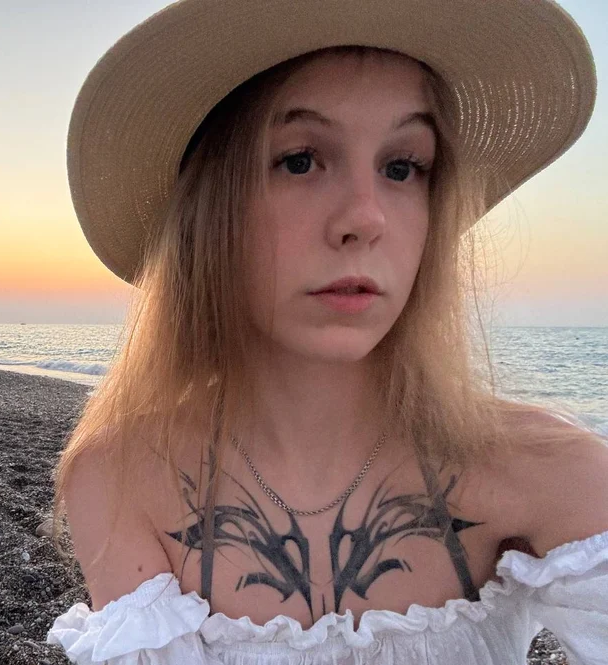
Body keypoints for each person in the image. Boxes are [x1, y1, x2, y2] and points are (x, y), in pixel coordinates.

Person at [46, 1, 608, 663]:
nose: (365, 218)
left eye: (402, 167)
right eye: (300, 160)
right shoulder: (120, 480)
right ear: (210, 210)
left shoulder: (555, 474)